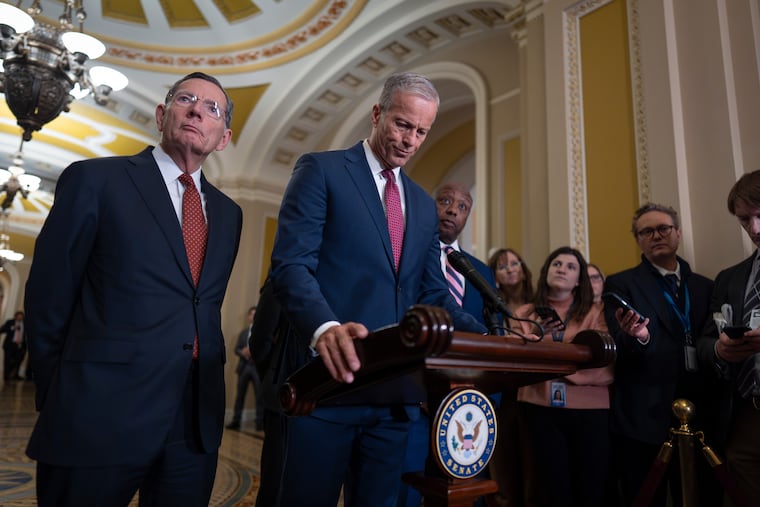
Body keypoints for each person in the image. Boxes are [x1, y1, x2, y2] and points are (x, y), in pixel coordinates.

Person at [264, 72, 487, 507]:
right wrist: (324, 327)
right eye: (403, 124)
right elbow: (291, 266)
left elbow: (433, 294)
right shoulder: (322, 170)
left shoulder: (422, 204)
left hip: (393, 399)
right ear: (377, 113)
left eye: (421, 131)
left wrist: (490, 335)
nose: (410, 140)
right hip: (325, 388)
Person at [24, 72, 243, 507]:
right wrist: (62, 392)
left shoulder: (229, 213)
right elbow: (49, 293)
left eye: (212, 108)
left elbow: (201, 304)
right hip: (98, 413)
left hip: (193, 425)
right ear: (163, 114)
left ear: (223, 138)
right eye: (186, 99)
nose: (198, 109)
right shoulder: (95, 180)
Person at [603, 203, 717, 507]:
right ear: (638, 240)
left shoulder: (706, 286)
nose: (656, 235)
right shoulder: (621, 284)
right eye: (646, 231)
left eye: (663, 228)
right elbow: (617, 341)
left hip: (704, 410)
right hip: (645, 412)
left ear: (678, 233)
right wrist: (639, 337)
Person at [398, 181, 496, 507]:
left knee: (462, 493)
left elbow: (492, 334)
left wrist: (480, 393)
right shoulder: (405, 256)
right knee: (405, 491)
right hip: (413, 400)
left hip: (463, 403)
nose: (453, 209)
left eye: (462, 206)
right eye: (445, 201)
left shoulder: (480, 272)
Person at [514, 246, 612, 507]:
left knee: (590, 487)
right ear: (546, 271)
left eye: (571, 267)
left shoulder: (598, 312)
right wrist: (540, 337)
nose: (562, 270)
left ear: (579, 280)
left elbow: (604, 362)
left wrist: (544, 357)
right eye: (557, 264)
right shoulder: (525, 313)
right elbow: (513, 358)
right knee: (549, 488)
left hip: (591, 410)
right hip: (538, 406)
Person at [697, 170, 760, 504]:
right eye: (744, 220)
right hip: (747, 417)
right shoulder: (730, 278)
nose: (755, 230)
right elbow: (704, 343)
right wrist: (721, 351)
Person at [486, 247, 535, 507]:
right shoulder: (490, 303)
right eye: (503, 266)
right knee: (502, 453)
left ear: (524, 270)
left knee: (532, 456)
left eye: (515, 263)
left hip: (532, 385)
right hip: (502, 387)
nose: (510, 269)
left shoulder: (539, 301)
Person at [227, 306, 264, 431]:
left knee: (259, 396)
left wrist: (254, 352)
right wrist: (242, 352)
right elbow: (236, 349)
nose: (253, 316)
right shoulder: (243, 333)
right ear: (249, 317)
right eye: (251, 314)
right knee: (240, 395)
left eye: (255, 314)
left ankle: (260, 423)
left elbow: (266, 348)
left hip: (257, 368)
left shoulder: (262, 332)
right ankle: (236, 421)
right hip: (244, 367)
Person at [488, 247, 535, 316]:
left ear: (523, 270)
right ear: (495, 277)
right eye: (502, 267)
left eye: (514, 264)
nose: (510, 270)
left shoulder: (539, 299)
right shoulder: (494, 307)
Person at [2, 311, 26, 381]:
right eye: (18, 316)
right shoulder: (10, 322)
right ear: (15, 316)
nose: (19, 317)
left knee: (18, 361)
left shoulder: (25, 323)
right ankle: (6, 376)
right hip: (9, 345)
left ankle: (15, 375)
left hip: (20, 346)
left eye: (21, 316)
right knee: (7, 361)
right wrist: (12, 328)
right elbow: (2, 330)